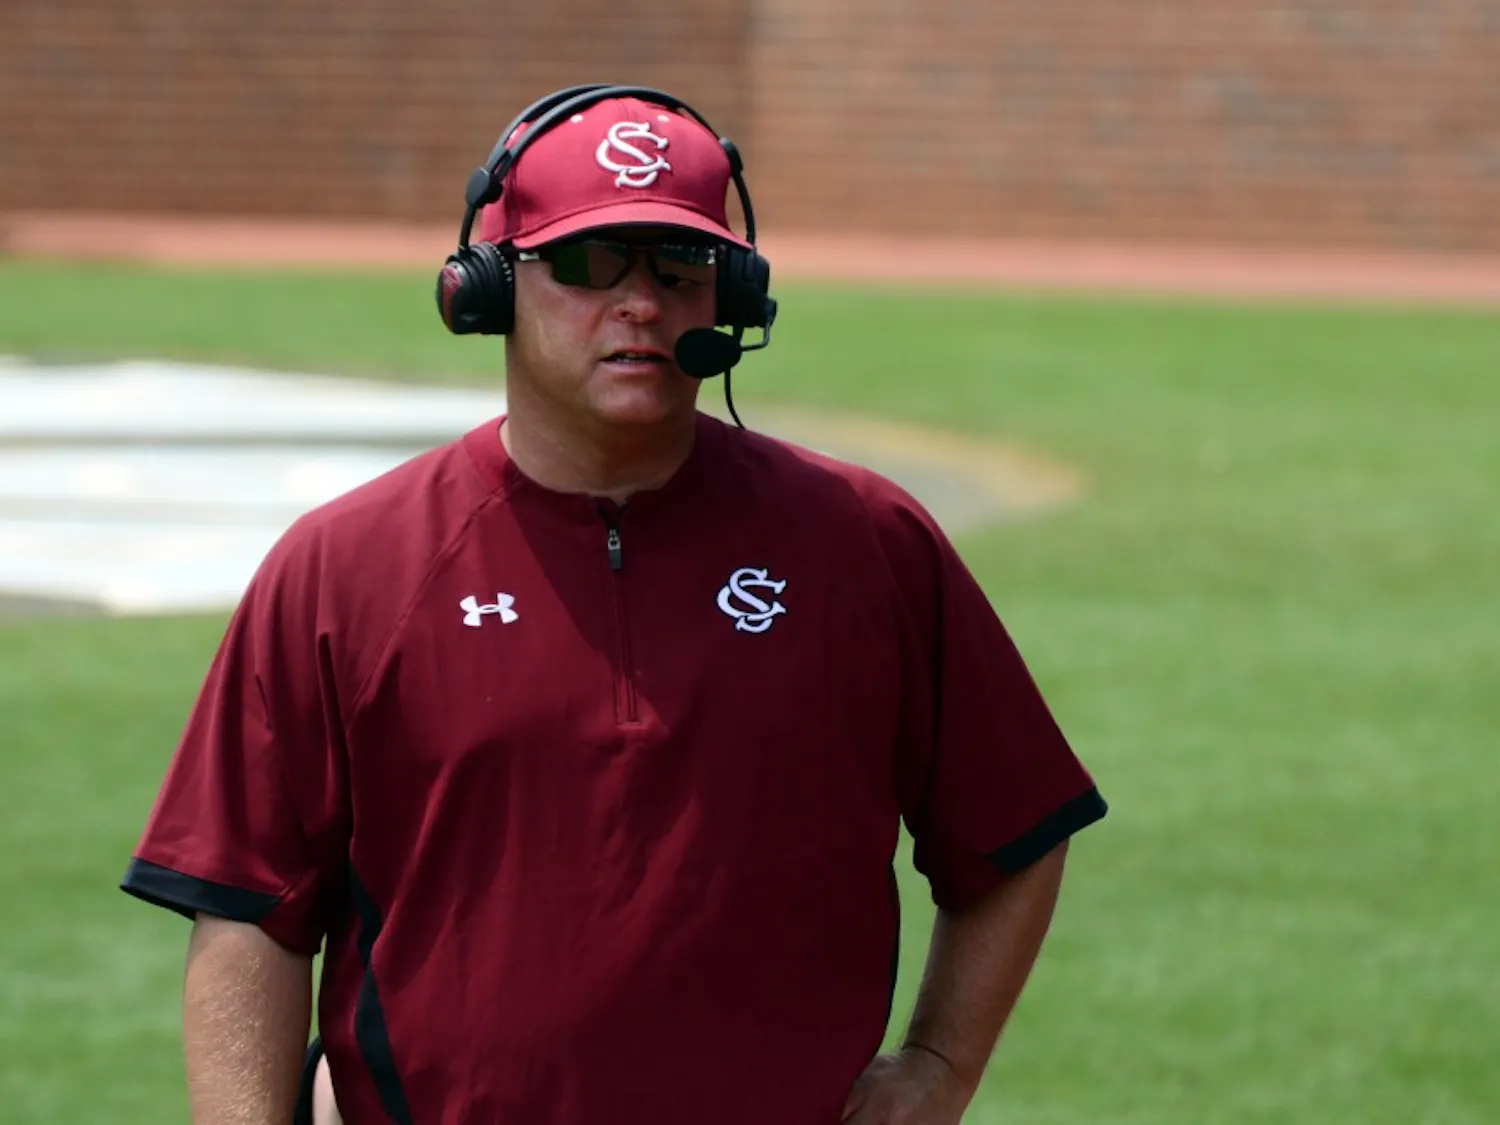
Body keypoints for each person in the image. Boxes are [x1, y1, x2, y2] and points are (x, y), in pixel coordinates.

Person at [120, 84, 1108, 1125]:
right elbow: (250, 910)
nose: (641, 303)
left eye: (680, 265)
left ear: (733, 298)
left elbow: (1017, 828)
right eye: (590, 263)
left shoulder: (866, 542)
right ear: (488, 287)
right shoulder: (347, 566)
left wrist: (942, 1063)